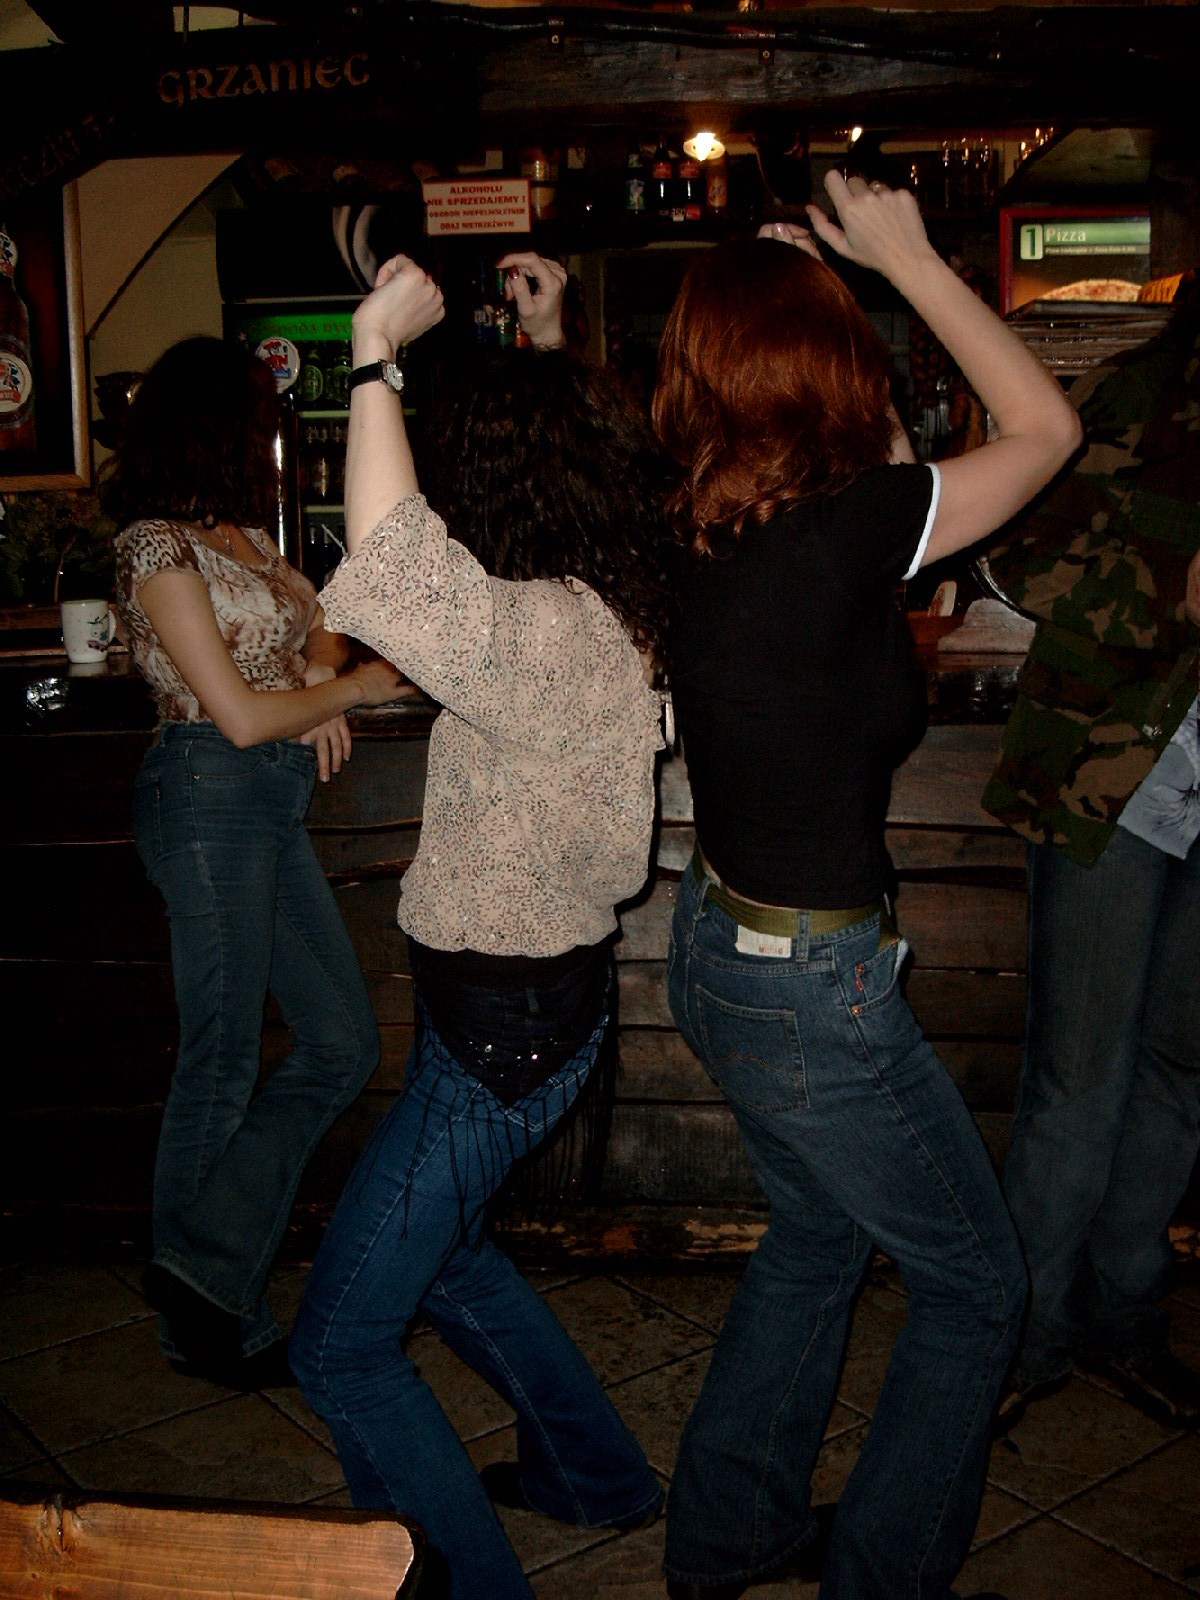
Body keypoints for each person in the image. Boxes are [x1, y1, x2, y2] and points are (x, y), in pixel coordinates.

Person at [651, 171, 1082, 1600]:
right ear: (827, 365)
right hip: (811, 991)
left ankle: (729, 1534)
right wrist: (905, 266)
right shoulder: (844, 528)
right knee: (978, 1287)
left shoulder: (706, 519)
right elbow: (1047, 431)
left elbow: (887, 463)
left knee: (819, 1233)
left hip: (721, 949)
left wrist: (813, 303)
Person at [288, 252, 670, 1600]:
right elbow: (555, 467)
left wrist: (373, 354)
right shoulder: (608, 604)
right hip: (529, 1019)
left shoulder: (547, 635)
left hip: (502, 1036)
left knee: (338, 1345)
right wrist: (549, 337)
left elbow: (392, 566)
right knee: (446, 1262)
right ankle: (597, 1475)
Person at [110, 336, 405, 1388]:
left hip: (265, 797)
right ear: (217, 424)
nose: (272, 435)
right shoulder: (154, 545)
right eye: (259, 416)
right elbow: (234, 714)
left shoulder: (238, 538)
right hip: (205, 788)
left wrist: (317, 680)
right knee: (222, 1055)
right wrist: (348, 694)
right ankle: (208, 1319)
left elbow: (324, 620)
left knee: (341, 1041)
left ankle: (198, 1268)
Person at [979, 276, 1200, 1431]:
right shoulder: (1137, 395)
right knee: (1080, 1077)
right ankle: (1023, 1335)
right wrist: (1175, 587)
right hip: (1110, 783)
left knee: (1181, 1068)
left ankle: (1125, 1314)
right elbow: (1015, 552)